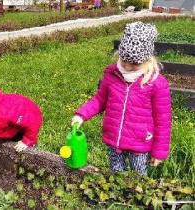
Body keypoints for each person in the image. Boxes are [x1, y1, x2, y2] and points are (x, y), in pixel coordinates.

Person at [71, 22, 171, 175]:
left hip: (140, 144)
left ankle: (136, 197)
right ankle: (118, 198)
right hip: (114, 140)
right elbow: (99, 100)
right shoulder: (113, 75)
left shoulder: (156, 83)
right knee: (116, 175)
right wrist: (81, 115)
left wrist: (159, 152)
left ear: (147, 60)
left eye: (135, 64)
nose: (128, 67)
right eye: (124, 61)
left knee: (138, 177)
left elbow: (163, 120)